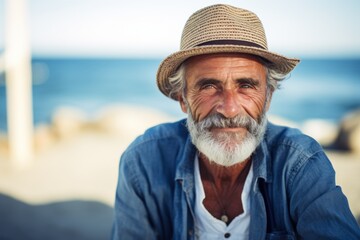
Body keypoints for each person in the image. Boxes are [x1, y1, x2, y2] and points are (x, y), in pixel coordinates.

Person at [112, 4, 360, 239]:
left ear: (268, 97)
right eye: (209, 86)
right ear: (183, 99)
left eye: (246, 86)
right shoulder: (143, 161)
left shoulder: (300, 163)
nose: (229, 109)